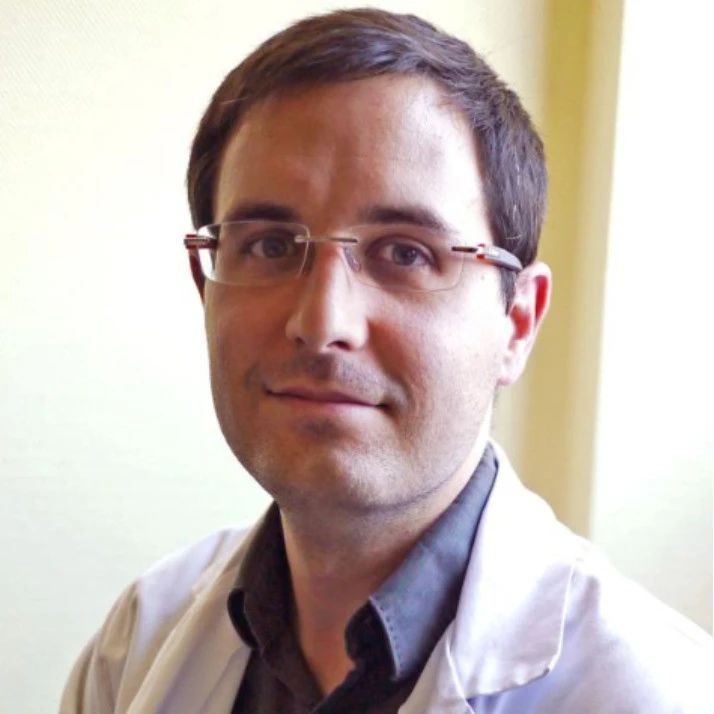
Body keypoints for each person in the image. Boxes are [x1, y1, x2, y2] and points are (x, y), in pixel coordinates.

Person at [61, 8, 712, 713]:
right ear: (206, 289)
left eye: (405, 253)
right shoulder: (134, 648)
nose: (321, 323)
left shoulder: (655, 694)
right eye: (271, 245)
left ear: (518, 321)